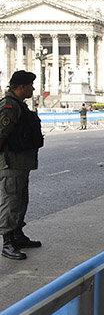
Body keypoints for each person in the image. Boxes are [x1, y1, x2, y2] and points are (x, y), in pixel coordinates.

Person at [0, 71, 44, 260]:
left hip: (20, 163)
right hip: (11, 163)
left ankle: (17, 235)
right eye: (30, 85)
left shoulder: (19, 105)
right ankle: (7, 242)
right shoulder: (9, 106)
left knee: (20, 200)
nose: (33, 89)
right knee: (10, 202)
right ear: (21, 87)